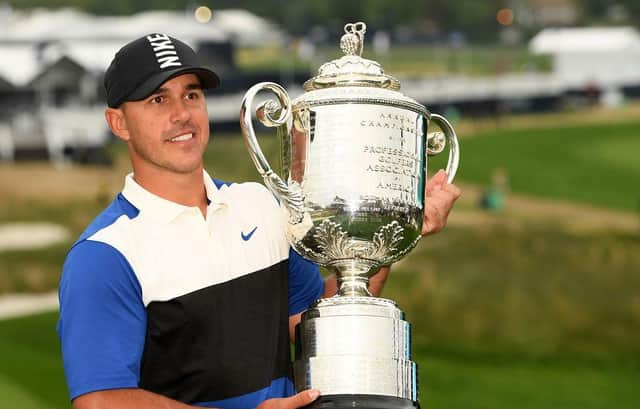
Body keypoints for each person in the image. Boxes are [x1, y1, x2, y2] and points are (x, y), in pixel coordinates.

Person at [57, 33, 461, 409]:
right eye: (158, 100)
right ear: (119, 123)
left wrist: (387, 232)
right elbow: (102, 400)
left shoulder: (260, 206)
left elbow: (315, 324)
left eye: (191, 95)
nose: (182, 115)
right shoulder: (105, 255)